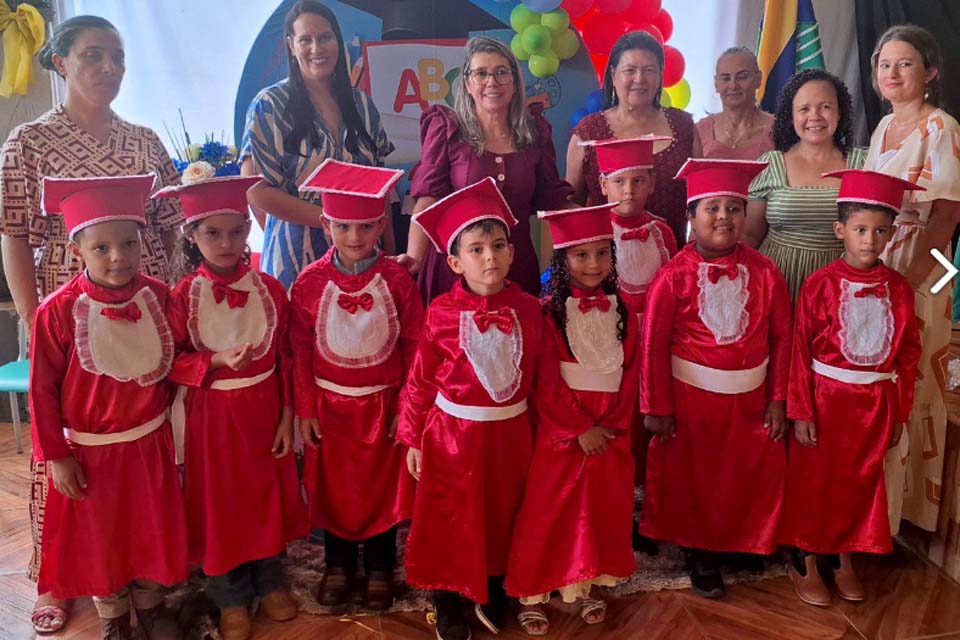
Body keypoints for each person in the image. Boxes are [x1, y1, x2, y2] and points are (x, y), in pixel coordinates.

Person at [0, 16, 183, 634]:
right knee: (68, 457)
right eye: (93, 56)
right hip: (66, 307)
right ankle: (57, 576)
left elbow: (167, 226)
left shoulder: (143, 140)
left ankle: (143, 569)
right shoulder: (27, 141)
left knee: (140, 451)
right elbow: (14, 234)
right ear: (60, 63)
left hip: (144, 305)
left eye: (117, 57)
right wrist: (31, 316)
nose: (108, 68)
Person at [397, 178, 578, 640]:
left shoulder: (529, 309)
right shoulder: (439, 312)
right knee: (449, 517)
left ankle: (493, 586)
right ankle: (447, 597)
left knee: (502, 512)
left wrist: (570, 430)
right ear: (455, 262)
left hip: (510, 436)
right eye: (476, 249)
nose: (490, 257)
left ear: (514, 252)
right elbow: (419, 381)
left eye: (499, 245)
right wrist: (412, 437)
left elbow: (546, 380)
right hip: (452, 438)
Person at [29, 175, 187, 640]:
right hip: (92, 453)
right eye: (101, 247)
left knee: (147, 527)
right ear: (77, 250)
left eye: (128, 243)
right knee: (104, 538)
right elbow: (41, 389)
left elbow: (179, 361)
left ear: (142, 243)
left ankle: (153, 605)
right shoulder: (57, 311)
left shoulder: (159, 296)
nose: (117, 257)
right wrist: (57, 456)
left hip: (150, 442)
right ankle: (114, 616)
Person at [159, 175, 307, 640]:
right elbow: (169, 361)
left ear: (249, 230)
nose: (226, 243)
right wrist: (213, 360)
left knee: (266, 499)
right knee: (221, 505)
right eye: (212, 234)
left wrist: (288, 416)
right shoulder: (182, 296)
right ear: (191, 235)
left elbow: (287, 359)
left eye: (236, 231)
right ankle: (229, 595)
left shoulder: (271, 288)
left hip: (265, 412)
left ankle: (270, 578)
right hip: (214, 421)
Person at [640, 159, 791, 599]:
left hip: (750, 398)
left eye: (734, 208)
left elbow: (783, 338)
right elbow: (652, 345)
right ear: (690, 216)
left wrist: (778, 399)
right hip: (691, 400)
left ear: (746, 215)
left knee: (741, 473)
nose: (724, 217)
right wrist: (658, 408)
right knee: (695, 476)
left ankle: (739, 539)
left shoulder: (766, 273)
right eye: (712, 208)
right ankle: (698, 550)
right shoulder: (672, 277)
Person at [783, 169, 922, 607]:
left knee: (858, 485)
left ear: (891, 234)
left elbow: (907, 356)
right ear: (840, 230)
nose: (869, 240)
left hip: (875, 404)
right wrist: (801, 411)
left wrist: (899, 412)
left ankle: (843, 556)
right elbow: (799, 351)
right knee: (815, 483)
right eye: (860, 229)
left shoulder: (899, 289)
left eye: (880, 231)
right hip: (826, 402)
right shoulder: (819, 284)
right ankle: (804, 556)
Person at [289, 160, 422, 611]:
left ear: (382, 224)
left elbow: (415, 346)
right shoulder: (308, 284)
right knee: (333, 489)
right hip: (329, 408)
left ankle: (381, 566)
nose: (354, 237)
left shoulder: (399, 280)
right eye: (343, 226)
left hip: (383, 406)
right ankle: (339, 564)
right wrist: (305, 410)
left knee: (382, 488)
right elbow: (300, 352)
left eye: (365, 226)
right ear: (326, 225)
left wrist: (407, 406)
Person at [506, 204, 638, 635]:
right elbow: (545, 381)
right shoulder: (547, 315)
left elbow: (630, 373)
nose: (594, 264)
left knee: (601, 509)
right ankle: (534, 589)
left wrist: (612, 425)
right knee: (550, 509)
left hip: (611, 430)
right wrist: (579, 428)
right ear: (562, 260)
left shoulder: (626, 313)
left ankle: (587, 585)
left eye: (602, 254)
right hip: (563, 432)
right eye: (582, 255)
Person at [864, 24, 960, 535]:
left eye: (905, 63)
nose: (893, 73)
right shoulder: (882, 128)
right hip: (883, 253)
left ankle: (911, 511)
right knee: (884, 378)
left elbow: (945, 215)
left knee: (918, 374)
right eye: (885, 64)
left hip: (930, 262)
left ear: (930, 71)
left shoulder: (941, 128)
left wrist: (910, 279)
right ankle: (879, 504)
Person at [396, 35, 575, 301]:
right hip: (456, 270)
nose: (492, 82)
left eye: (501, 72)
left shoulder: (535, 133)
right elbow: (428, 200)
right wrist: (414, 258)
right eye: (481, 73)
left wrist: (599, 218)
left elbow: (551, 198)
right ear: (467, 83)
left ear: (514, 83)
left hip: (516, 265)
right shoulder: (447, 129)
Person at [241, 0, 395, 289]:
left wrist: (390, 254)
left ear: (337, 40)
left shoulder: (361, 104)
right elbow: (255, 191)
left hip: (363, 255)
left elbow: (381, 190)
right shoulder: (270, 105)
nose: (316, 48)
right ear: (291, 45)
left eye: (325, 37)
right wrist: (331, 220)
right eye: (305, 40)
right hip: (295, 259)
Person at [582, 135, 677, 551]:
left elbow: (677, 288)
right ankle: (610, 508)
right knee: (615, 424)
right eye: (619, 181)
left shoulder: (664, 233)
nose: (628, 191)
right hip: (608, 343)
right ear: (602, 184)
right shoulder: (591, 233)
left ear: (652, 184)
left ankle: (648, 507)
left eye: (638, 181)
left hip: (653, 344)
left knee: (646, 425)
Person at [568, 30, 702, 248]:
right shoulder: (587, 132)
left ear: (660, 75)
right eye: (630, 70)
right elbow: (572, 203)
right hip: (603, 268)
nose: (639, 79)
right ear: (613, 74)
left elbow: (700, 201)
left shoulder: (684, 126)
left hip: (671, 263)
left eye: (649, 70)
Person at [745, 69, 867, 301]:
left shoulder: (863, 164)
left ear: (840, 112)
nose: (815, 116)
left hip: (841, 286)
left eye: (825, 107)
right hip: (777, 284)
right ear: (791, 116)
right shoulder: (770, 164)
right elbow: (750, 235)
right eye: (804, 109)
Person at [696, 47, 775, 160]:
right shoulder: (699, 131)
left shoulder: (779, 130)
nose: (733, 85)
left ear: (759, 79)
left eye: (742, 77)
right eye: (725, 78)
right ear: (716, 84)